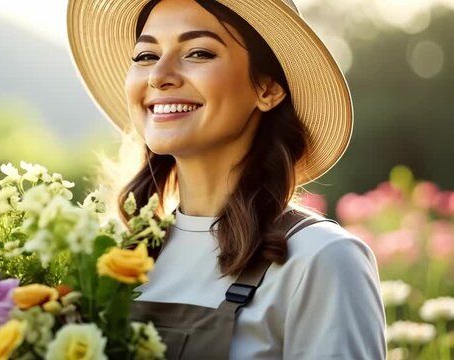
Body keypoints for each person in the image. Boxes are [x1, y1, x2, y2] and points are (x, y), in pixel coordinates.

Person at [67, 0, 386, 359]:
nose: (159, 75)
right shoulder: (110, 257)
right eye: (145, 56)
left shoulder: (321, 259)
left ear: (267, 89)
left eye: (199, 52)